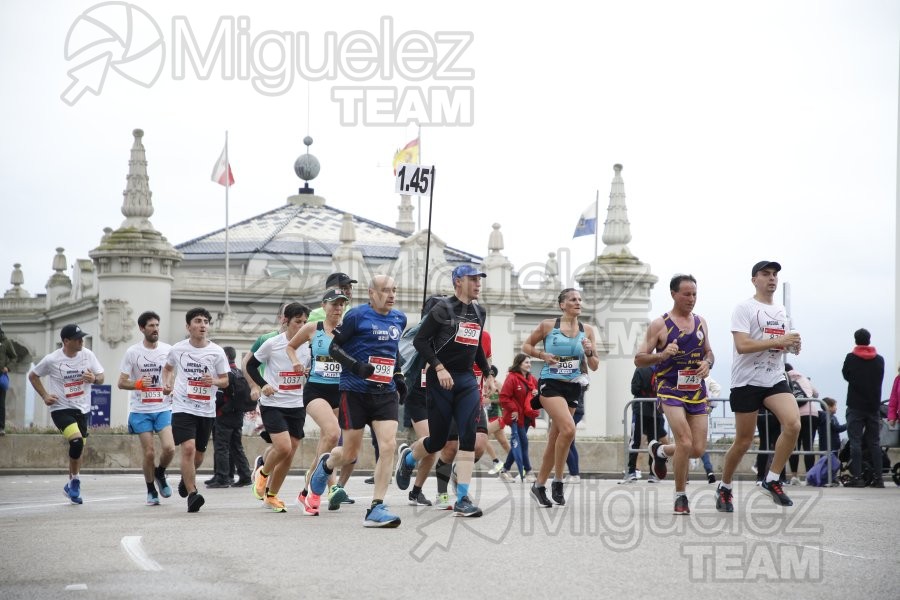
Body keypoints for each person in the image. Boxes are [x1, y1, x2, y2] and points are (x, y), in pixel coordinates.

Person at [308, 274, 408, 527]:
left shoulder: (399, 318)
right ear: (371, 293)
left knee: (388, 446)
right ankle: (328, 463)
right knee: (350, 453)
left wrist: (398, 375)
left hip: (384, 392)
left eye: (394, 290)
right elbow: (334, 348)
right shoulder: (356, 316)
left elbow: (392, 349)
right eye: (386, 290)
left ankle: (376, 507)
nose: (392, 295)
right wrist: (355, 366)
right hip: (354, 391)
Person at [396, 265, 494, 518]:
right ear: (458, 282)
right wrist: (439, 368)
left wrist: (488, 373)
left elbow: (477, 346)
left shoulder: (479, 312)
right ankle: (408, 460)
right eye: (473, 279)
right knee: (438, 441)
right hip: (440, 379)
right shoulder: (442, 309)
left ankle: (462, 498)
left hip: (466, 380)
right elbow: (420, 341)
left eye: (479, 279)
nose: (478, 283)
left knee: (468, 437)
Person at [716, 261, 801, 512]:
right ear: (754, 279)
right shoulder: (744, 308)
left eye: (775, 274)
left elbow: (777, 343)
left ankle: (772, 479)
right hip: (746, 380)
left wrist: (791, 345)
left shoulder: (781, 309)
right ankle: (724, 487)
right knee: (743, 442)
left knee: (793, 424)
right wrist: (780, 339)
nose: (772, 278)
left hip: (774, 378)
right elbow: (742, 345)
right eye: (766, 274)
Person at [635, 274, 715, 515]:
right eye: (687, 294)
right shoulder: (660, 325)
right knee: (685, 441)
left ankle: (660, 451)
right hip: (670, 388)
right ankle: (680, 496)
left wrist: (707, 364)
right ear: (673, 294)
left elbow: (709, 352)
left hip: (696, 390)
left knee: (698, 449)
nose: (692, 299)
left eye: (695, 294)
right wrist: (661, 355)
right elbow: (639, 359)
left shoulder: (701, 322)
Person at [522, 287, 599, 507]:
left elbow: (594, 366)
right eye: (573, 299)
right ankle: (558, 481)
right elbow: (526, 345)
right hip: (550, 384)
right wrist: (541, 355)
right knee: (569, 430)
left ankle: (539, 485)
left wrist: (590, 351)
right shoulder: (549, 325)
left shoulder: (588, 330)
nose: (578, 302)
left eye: (580, 299)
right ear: (562, 304)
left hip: (573, 386)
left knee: (555, 439)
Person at [286, 291, 353, 513]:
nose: (338, 308)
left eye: (342, 304)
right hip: (316, 389)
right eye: (334, 304)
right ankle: (323, 490)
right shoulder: (313, 328)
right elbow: (290, 347)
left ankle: (306, 491)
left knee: (327, 444)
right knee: (333, 433)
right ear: (324, 306)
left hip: (340, 391)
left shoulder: (348, 331)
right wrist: (296, 362)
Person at [162, 307, 230, 513]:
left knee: (199, 455)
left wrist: (215, 381)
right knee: (188, 449)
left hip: (206, 409)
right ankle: (193, 494)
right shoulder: (178, 349)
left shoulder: (217, 351)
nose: (202, 325)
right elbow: (167, 368)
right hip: (183, 406)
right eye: (198, 321)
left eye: (205, 322)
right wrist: (167, 384)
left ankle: (186, 478)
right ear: (188, 326)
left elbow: (226, 381)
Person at [28, 324, 104, 504]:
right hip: (60, 408)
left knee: (78, 448)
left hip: (83, 409)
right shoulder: (52, 359)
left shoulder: (88, 355)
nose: (81, 341)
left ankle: (71, 483)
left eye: (82, 338)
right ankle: (76, 481)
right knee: (76, 441)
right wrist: (45, 395)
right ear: (66, 341)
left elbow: (102, 377)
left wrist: (94, 379)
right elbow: (33, 375)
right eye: (77, 339)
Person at [246, 302, 311, 512]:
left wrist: (308, 373)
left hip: (297, 403)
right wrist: (263, 385)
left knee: (289, 453)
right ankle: (263, 473)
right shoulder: (272, 343)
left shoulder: (309, 345)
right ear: (286, 321)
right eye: (297, 322)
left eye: (305, 322)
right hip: (273, 403)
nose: (301, 326)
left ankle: (271, 495)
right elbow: (250, 365)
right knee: (283, 446)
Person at [117, 311, 175, 505]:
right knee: (149, 452)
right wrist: (139, 384)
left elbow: (171, 373)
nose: (155, 329)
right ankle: (151, 489)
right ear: (142, 329)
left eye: (157, 325)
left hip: (163, 407)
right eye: (151, 326)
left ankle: (160, 473)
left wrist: (169, 386)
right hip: (141, 409)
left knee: (169, 448)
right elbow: (121, 383)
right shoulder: (133, 352)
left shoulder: (168, 349)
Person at [841, 328, 885, 488]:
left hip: (855, 404)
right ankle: (878, 478)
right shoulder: (879, 360)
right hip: (873, 406)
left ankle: (857, 477)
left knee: (855, 442)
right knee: (874, 442)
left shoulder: (851, 358)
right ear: (869, 339)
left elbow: (846, 375)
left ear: (855, 340)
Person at [207, 346, 253, 489]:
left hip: (224, 415)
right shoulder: (239, 372)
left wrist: (217, 410)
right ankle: (244, 476)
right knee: (236, 446)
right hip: (238, 414)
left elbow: (220, 396)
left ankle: (222, 477)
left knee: (221, 447)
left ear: (226, 357)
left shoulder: (226, 375)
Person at [622, 366, 671, 483]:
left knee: (635, 441)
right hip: (657, 410)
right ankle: (653, 473)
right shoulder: (661, 369)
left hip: (640, 408)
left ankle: (632, 471)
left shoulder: (640, 369)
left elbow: (634, 389)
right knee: (653, 443)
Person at [497, 353, 540, 482]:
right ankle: (529, 471)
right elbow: (504, 397)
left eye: (530, 362)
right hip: (516, 417)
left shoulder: (532, 379)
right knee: (523, 442)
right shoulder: (512, 378)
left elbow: (538, 394)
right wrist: (513, 409)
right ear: (519, 364)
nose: (529, 365)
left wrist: (536, 393)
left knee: (519, 443)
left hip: (527, 416)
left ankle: (505, 470)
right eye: (526, 362)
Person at [785, 363, 820, 485]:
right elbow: (816, 394)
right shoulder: (803, 378)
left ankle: (794, 476)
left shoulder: (784, 379)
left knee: (793, 447)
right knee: (808, 446)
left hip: (794, 415)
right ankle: (809, 476)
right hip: (811, 414)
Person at [0, 324, 18, 435]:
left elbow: (14, 357)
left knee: (1, 403)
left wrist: (8, 367)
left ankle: (1, 428)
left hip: (0, 376)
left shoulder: (5, 342)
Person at [565, 394, 585, 483]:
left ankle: (574, 474)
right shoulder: (582, 381)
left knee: (565, 443)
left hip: (573, 410)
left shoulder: (575, 380)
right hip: (576, 410)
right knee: (570, 443)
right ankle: (574, 473)